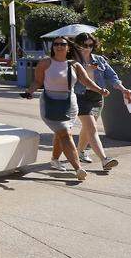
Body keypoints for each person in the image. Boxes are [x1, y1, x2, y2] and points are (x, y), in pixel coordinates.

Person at [24, 36, 109, 181]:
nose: (59, 46)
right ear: (53, 47)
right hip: (50, 103)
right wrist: (30, 91)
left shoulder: (74, 65)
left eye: (62, 44)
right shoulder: (45, 63)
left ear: (68, 47)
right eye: (56, 44)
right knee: (65, 134)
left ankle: (55, 159)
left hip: (70, 104)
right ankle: (78, 169)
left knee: (62, 133)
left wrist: (100, 90)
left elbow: (86, 81)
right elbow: (37, 81)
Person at [62, 32, 131, 171]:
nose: (87, 48)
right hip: (79, 97)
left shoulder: (99, 60)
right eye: (84, 45)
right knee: (92, 128)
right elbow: (66, 78)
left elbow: (112, 77)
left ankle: (80, 152)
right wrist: (86, 69)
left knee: (87, 128)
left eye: (90, 45)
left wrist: (124, 89)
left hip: (97, 98)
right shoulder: (72, 61)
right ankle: (104, 159)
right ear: (77, 45)